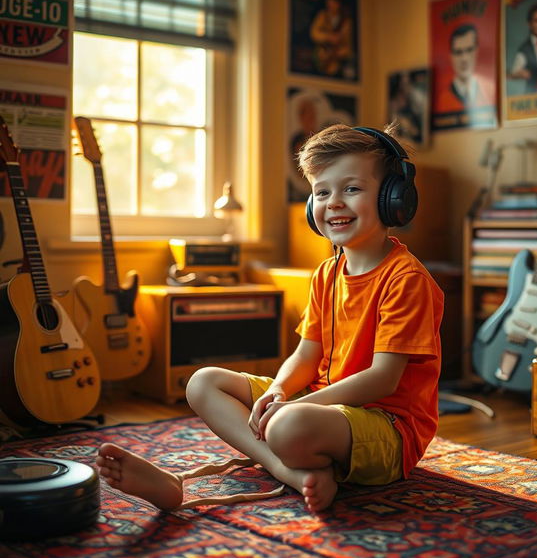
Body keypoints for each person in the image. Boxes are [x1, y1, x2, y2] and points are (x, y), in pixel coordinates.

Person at [96, 124, 444, 514]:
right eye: (322, 192)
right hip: (323, 405)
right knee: (202, 382)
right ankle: (290, 471)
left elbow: (382, 379)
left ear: (392, 200)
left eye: (352, 189)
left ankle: (288, 455)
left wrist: (298, 406)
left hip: (386, 427)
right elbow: (305, 355)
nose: (334, 203)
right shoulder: (326, 274)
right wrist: (277, 391)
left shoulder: (407, 280)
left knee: (286, 426)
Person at [434, 23, 493, 113]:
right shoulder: (442, 100)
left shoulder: (490, 91)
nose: (464, 59)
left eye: (469, 50)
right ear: (451, 56)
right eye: (458, 52)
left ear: (476, 51)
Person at [309, 0, 354, 78]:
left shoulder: (347, 22)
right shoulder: (323, 16)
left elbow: (348, 49)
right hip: (321, 56)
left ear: (339, 3)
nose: (330, 4)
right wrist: (329, 37)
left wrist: (337, 54)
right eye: (329, 0)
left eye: (333, 1)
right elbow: (314, 33)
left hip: (335, 63)